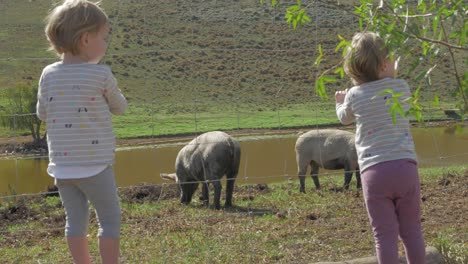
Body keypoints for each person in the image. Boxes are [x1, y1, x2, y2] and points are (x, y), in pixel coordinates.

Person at [36, 0, 127, 263]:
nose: (105, 43)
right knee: (109, 220)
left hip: (62, 167)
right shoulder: (100, 75)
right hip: (96, 165)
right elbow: (120, 108)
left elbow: (42, 113)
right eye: (103, 36)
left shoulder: (48, 74)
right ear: (86, 39)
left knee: (74, 221)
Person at [335, 32, 426, 264]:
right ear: (384, 64)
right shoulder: (401, 88)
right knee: (412, 229)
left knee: (384, 234)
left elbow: (344, 119)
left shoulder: (354, 95)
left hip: (373, 173)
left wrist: (340, 102)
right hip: (405, 168)